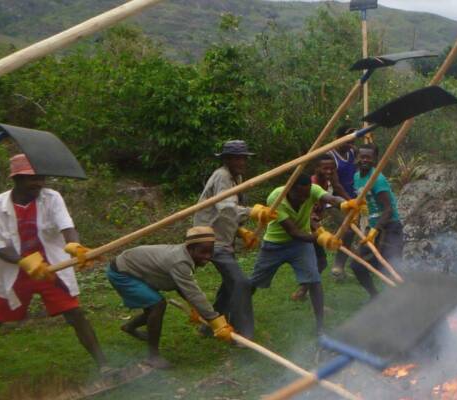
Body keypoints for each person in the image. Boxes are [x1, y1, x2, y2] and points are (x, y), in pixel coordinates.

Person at [0, 154, 108, 373]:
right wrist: (25, 262)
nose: (38, 182)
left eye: (41, 177)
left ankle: (103, 364)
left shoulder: (52, 197)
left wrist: (74, 246)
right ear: (16, 178)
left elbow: (66, 226)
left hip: (51, 268)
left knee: (75, 314)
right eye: (31, 178)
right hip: (15, 270)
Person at [106, 227, 233, 369]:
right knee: (157, 305)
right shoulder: (179, 262)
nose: (208, 256)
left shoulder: (185, 256)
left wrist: (195, 308)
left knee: (152, 308)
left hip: (133, 268)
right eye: (203, 252)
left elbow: (181, 287)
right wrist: (215, 320)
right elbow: (193, 292)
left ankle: (129, 327)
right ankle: (153, 357)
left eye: (210, 251)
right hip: (122, 273)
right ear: (190, 249)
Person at [249, 177, 347, 334]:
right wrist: (321, 238)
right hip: (275, 244)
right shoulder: (276, 197)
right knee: (254, 282)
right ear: (290, 190)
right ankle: (239, 313)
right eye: (300, 196)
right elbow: (293, 232)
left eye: (306, 196)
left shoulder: (312, 189)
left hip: (301, 246)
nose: (304, 199)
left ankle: (320, 326)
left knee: (314, 280)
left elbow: (332, 198)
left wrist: (346, 204)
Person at [193, 140, 255, 339]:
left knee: (230, 284)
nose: (242, 161)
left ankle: (209, 326)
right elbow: (226, 208)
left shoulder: (235, 177)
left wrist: (241, 231)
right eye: (237, 158)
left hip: (223, 237)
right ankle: (243, 334)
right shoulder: (222, 176)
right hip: (209, 239)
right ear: (227, 159)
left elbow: (226, 216)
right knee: (240, 283)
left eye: (244, 157)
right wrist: (254, 212)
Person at [352, 144, 404, 298]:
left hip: (389, 227)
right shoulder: (356, 177)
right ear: (357, 158)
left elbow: (388, 209)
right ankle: (375, 297)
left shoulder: (378, 179)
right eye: (362, 156)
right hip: (371, 228)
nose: (365, 160)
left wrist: (376, 230)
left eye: (369, 157)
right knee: (357, 265)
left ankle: (399, 300)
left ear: (375, 160)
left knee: (392, 267)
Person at [292, 154, 344, 301]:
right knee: (316, 262)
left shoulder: (325, 182)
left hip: (312, 228)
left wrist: (348, 204)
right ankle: (306, 293)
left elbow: (333, 197)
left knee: (319, 262)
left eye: (332, 168)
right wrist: (319, 230)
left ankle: (302, 292)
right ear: (316, 168)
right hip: (304, 229)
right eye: (325, 168)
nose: (329, 171)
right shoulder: (311, 184)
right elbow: (306, 211)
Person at [328, 126, 358, 281]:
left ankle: (340, 268)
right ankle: (337, 267)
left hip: (351, 199)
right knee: (348, 231)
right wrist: (349, 200)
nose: (351, 145)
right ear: (338, 138)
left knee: (350, 233)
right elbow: (336, 184)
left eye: (353, 141)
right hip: (334, 200)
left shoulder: (352, 152)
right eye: (348, 141)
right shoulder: (330, 156)